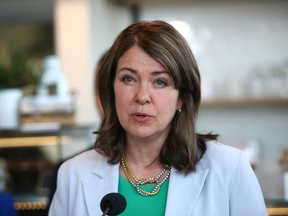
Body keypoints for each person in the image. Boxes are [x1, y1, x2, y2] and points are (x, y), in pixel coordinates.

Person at [49, 20, 267, 216]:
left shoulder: (230, 169)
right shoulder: (73, 174)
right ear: (110, 89)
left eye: (160, 82)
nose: (142, 96)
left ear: (182, 97)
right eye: (129, 79)